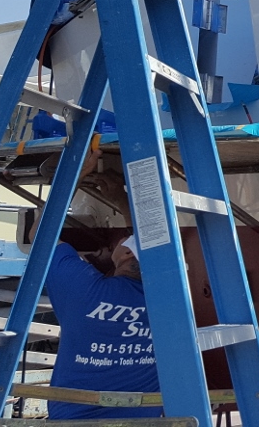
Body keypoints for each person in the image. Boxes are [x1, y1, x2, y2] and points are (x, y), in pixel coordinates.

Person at [37, 151, 161, 420]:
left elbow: (40, 235)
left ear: (126, 254)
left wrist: (75, 175)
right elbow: (148, 247)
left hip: (74, 419)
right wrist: (120, 198)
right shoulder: (170, 300)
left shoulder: (83, 290)